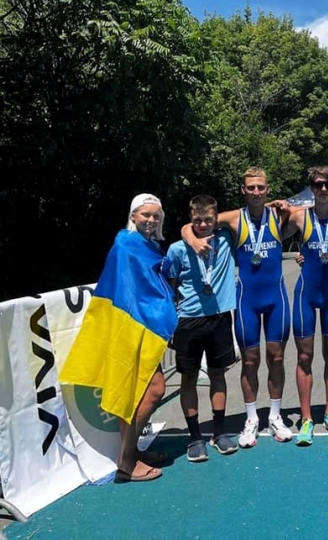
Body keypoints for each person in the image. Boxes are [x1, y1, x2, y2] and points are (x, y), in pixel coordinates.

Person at [60, 194, 177, 482]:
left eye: (156, 215)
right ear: (133, 215)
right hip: (129, 326)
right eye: (145, 214)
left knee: (138, 392)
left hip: (143, 325)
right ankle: (126, 461)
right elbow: (128, 288)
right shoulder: (126, 244)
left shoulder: (149, 246)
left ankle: (132, 451)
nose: (151, 220)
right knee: (152, 389)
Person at [182, 167, 294, 447]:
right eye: (251, 187)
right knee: (250, 361)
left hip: (276, 298)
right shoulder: (234, 218)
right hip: (247, 299)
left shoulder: (280, 214)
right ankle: (251, 418)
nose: (256, 192)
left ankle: (275, 416)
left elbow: (321, 209)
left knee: (277, 358)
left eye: (261, 187)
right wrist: (192, 239)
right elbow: (194, 222)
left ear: (268, 189)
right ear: (243, 190)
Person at [286, 166, 328, 446]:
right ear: (311, 189)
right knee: (304, 357)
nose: (324, 189)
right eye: (318, 185)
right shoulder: (300, 217)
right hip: (306, 293)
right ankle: (306, 418)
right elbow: (269, 235)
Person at [167, 195, 239, 462]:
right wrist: (170, 322)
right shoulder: (177, 249)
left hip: (219, 318)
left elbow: (245, 212)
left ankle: (219, 433)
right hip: (188, 320)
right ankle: (195, 437)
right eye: (197, 220)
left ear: (216, 218)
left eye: (209, 219)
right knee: (189, 378)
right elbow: (169, 286)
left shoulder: (226, 239)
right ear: (190, 219)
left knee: (218, 375)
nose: (203, 225)